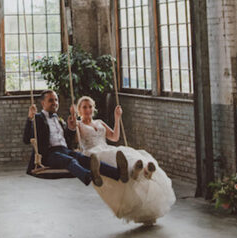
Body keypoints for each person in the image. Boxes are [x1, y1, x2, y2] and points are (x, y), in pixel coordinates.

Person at [72, 95, 176, 224]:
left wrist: (117, 118)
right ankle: (136, 171)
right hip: (93, 153)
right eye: (84, 107)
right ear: (79, 110)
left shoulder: (99, 122)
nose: (88, 110)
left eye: (90, 106)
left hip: (106, 148)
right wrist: (73, 123)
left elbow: (114, 137)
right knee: (112, 157)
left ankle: (143, 171)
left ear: (94, 108)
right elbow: (76, 140)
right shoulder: (79, 124)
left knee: (128, 153)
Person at [23, 90, 126, 187]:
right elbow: (26, 139)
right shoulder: (38, 118)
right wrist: (29, 118)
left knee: (86, 159)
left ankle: (117, 174)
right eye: (51, 100)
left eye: (56, 100)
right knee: (70, 160)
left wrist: (71, 128)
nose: (55, 103)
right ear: (43, 103)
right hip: (50, 154)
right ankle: (89, 176)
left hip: (65, 150)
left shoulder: (59, 120)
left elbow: (67, 140)